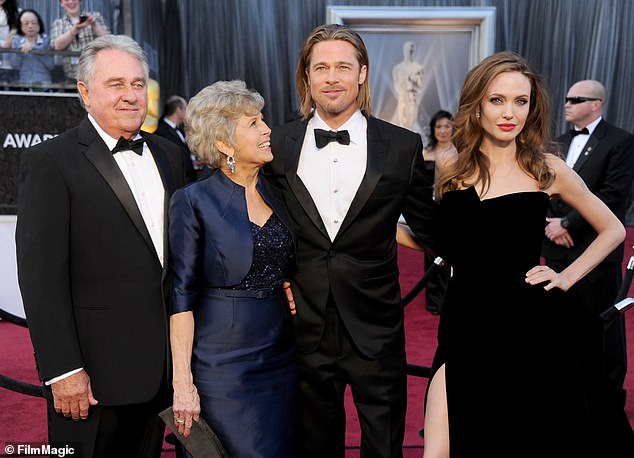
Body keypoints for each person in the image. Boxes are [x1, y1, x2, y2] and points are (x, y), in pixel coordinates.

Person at [422, 51, 634, 457]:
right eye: (497, 99)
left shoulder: (546, 168)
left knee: (520, 437)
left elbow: (613, 229)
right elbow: (444, 240)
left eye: (521, 101)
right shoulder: (451, 166)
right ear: (477, 104)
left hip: (527, 320)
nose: (510, 112)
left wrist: (566, 276)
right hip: (464, 316)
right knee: (440, 445)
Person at [264, 24, 438, 457]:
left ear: (362, 73)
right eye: (320, 67)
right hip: (303, 325)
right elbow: (262, 224)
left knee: (384, 447)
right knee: (314, 446)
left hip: (375, 325)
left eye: (343, 66)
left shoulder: (401, 145)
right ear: (307, 77)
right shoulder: (278, 144)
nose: (332, 77)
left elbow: (431, 226)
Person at [15, 34, 189, 458]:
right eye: (116, 84)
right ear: (84, 92)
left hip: (163, 377)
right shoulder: (52, 162)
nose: (131, 96)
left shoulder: (171, 156)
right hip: (91, 381)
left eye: (137, 84)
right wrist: (63, 371)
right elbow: (41, 279)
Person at [169, 80, 297, 457]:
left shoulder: (280, 191)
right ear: (224, 144)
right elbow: (181, 295)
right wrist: (183, 383)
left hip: (280, 354)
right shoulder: (193, 201)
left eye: (262, 120)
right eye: (253, 123)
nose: (267, 129)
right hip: (220, 363)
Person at [543, 79, 634, 401]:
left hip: (596, 250)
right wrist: (551, 224)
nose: (566, 103)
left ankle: (608, 396)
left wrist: (567, 223)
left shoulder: (621, 142)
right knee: (560, 325)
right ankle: (566, 391)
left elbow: (613, 195)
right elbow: (544, 188)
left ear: (596, 104)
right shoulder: (555, 142)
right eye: (566, 98)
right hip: (556, 250)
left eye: (575, 99)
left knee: (603, 325)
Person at [421, 110, 456, 315]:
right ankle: (433, 302)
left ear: (453, 129)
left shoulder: (459, 154)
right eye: (438, 127)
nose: (442, 131)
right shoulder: (426, 153)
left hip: (451, 211)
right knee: (430, 255)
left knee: (449, 256)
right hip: (428, 211)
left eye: (446, 126)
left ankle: (448, 299)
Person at [51, 0, 108, 84]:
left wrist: (94, 24)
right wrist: (75, 29)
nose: (71, 2)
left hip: (96, 72)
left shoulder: (95, 16)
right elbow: (57, 46)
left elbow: (107, 40)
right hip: (72, 76)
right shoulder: (59, 23)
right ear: (61, 4)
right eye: (66, 0)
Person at [154, 94, 198, 182]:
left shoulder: (181, 130)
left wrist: (193, 162)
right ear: (178, 110)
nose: (187, 112)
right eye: (186, 109)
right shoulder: (159, 131)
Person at [9, 9, 54, 86]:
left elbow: (50, 65)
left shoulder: (46, 40)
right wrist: (20, 51)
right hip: (23, 83)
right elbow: (14, 65)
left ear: (39, 25)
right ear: (21, 27)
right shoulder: (16, 40)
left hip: (44, 83)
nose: (30, 26)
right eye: (26, 23)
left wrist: (34, 48)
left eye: (33, 23)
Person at [392, 41, 424, 134]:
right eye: (408, 50)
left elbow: (420, 86)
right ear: (404, 51)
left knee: (412, 122)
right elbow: (397, 86)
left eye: (411, 50)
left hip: (412, 97)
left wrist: (413, 82)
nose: (410, 52)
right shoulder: (398, 69)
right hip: (403, 98)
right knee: (402, 122)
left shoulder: (419, 68)